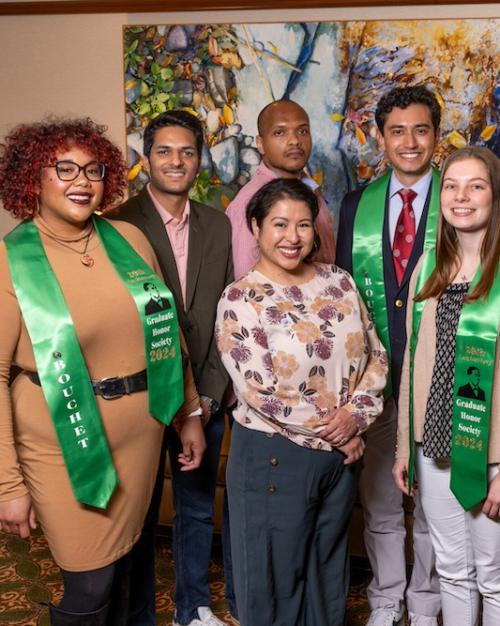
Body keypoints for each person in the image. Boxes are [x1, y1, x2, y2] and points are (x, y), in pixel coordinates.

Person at [0, 118, 205, 625]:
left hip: (141, 438)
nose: (82, 181)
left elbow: (168, 336)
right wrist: (8, 486)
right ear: (33, 178)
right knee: (90, 584)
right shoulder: (11, 260)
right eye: (64, 168)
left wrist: (190, 413)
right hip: (63, 445)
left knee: (132, 570)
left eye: (93, 170)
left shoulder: (130, 239)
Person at [215, 178, 388, 626]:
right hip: (276, 455)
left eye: (303, 224)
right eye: (279, 224)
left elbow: (376, 354)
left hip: (340, 456)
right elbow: (259, 390)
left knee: (327, 571)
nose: (292, 237)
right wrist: (338, 432)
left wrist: (355, 417)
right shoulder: (241, 299)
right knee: (275, 576)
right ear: (255, 227)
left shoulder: (339, 281)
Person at [115, 110, 234, 626]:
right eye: (164, 151)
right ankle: (139, 614)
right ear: (146, 159)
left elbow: (223, 317)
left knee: (195, 511)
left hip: (204, 396)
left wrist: (202, 400)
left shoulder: (218, 223)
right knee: (137, 515)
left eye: (187, 151)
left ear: (199, 159)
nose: (176, 161)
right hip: (141, 400)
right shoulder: (118, 223)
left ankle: (194, 608)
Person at [336, 85, 442, 626]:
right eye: (397, 130)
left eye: (420, 130)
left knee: (432, 506)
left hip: (436, 379)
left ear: (436, 137)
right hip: (375, 382)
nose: (409, 142)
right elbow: (342, 300)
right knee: (379, 503)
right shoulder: (357, 204)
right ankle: (385, 598)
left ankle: (425, 603)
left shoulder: (464, 198)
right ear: (380, 137)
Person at [394, 146, 500, 626]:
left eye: (475, 185)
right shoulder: (429, 270)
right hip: (434, 443)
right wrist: (403, 449)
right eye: (452, 186)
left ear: (494, 196)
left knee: (494, 576)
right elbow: (411, 367)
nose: (462, 197)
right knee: (451, 570)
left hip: (490, 453)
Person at [226, 99, 336, 280]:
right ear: (260, 144)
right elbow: (248, 287)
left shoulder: (310, 188)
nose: (294, 141)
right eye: (280, 132)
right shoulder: (248, 204)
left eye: (302, 131)